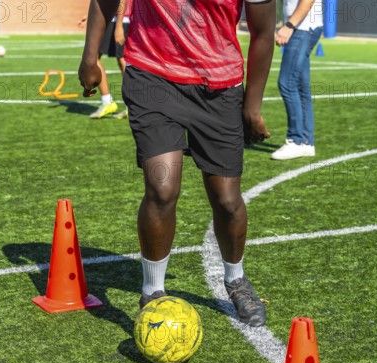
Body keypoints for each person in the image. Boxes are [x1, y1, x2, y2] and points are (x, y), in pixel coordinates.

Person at [79, 0, 275, 326]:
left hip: (219, 87)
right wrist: (90, 58)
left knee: (226, 200)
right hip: (152, 77)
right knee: (162, 187)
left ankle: (235, 279)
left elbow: (264, 32)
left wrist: (252, 107)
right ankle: (152, 291)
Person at [271, 0, 323, 160]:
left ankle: (296, 140)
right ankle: (306, 142)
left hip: (302, 29)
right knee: (301, 86)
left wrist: (289, 26)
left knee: (287, 83)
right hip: (303, 27)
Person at [79, 0, 132, 119]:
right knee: (94, 57)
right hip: (109, 19)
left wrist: (119, 27)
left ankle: (129, 105)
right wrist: (90, 15)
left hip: (121, 21)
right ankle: (108, 102)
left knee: (122, 59)